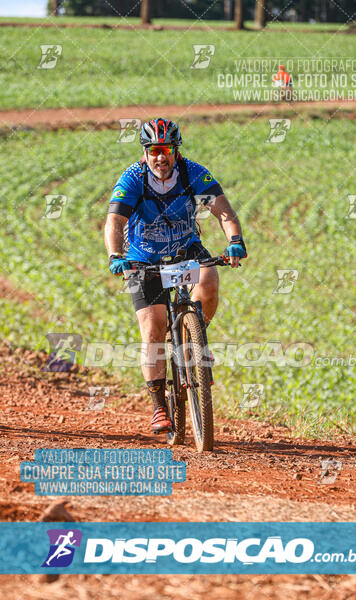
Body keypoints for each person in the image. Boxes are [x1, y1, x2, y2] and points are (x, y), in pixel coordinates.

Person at [104, 118, 246, 434]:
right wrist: (116, 255)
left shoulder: (193, 174)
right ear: (145, 152)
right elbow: (114, 222)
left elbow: (223, 211)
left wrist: (234, 240)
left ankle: (196, 337)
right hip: (143, 261)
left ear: (176, 151)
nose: (160, 157)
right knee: (153, 329)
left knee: (208, 278)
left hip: (185, 251)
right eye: (154, 150)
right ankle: (158, 407)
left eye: (166, 149)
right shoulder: (132, 179)